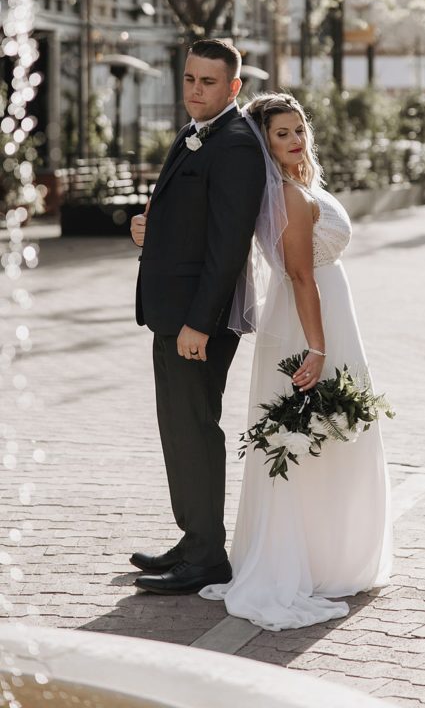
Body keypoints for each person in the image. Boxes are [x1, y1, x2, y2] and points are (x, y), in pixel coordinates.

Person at [199, 92, 392, 630]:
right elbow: (303, 276)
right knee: (315, 431)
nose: (293, 141)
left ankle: (331, 551)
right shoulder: (286, 194)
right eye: (280, 134)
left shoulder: (296, 188)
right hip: (313, 321)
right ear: (264, 141)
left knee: (329, 431)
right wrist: (317, 347)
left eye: (298, 130)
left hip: (323, 314)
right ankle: (312, 559)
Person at [129, 39, 266, 595]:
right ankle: (194, 538)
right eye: (189, 79)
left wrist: (200, 324)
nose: (195, 90)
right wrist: (146, 229)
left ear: (234, 88)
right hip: (172, 312)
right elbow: (190, 219)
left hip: (196, 321)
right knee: (178, 430)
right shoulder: (195, 132)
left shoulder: (233, 143)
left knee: (196, 432)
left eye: (208, 82)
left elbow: (228, 246)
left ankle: (208, 556)